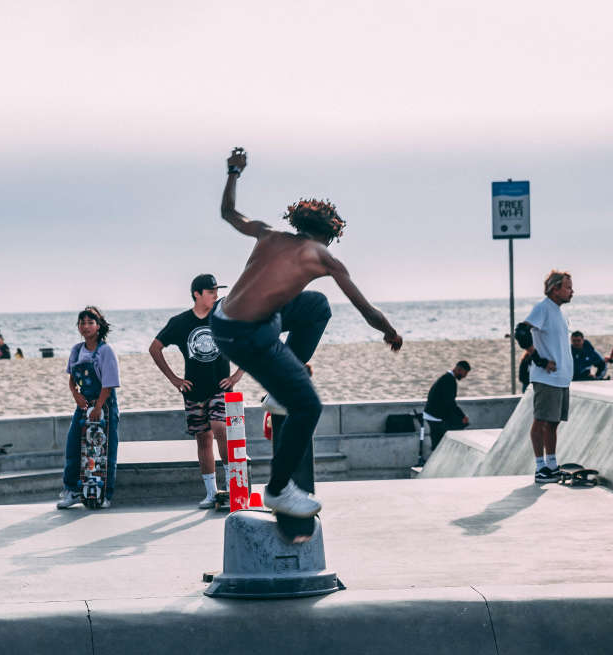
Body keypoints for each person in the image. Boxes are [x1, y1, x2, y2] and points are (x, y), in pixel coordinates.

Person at [209, 146, 402, 518]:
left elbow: (228, 213)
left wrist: (234, 171)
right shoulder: (323, 257)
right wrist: (390, 332)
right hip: (251, 337)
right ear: (329, 236)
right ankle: (279, 488)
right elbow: (366, 310)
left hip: (223, 321)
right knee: (308, 406)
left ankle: (281, 388)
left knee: (315, 306)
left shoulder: (268, 234)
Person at [150, 273, 245, 507]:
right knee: (203, 439)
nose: (216, 295)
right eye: (211, 291)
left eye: (216, 291)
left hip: (220, 387)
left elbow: (249, 343)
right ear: (197, 294)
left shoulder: (224, 319)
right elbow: (155, 348)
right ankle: (212, 493)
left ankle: (234, 485)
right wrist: (174, 379)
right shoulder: (180, 322)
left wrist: (237, 375)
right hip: (193, 390)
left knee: (219, 427)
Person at [58, 306, 120, 508]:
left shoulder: (106, 351)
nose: (85, 327)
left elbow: (109, 384)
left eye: (90, 323)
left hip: (105, 405)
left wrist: (98, 407)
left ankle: (105, 494)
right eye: (82, 323)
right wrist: (75, 395)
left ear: (99, 326)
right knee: (73, 446)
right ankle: (72, 491)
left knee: (105, 450)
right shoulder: (76, 350)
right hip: (83, 405)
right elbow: (71, 379)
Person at [524, 270, 574, 483]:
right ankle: (540, 467)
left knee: (553, 423)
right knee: (541, 420)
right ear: (555, 289)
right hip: (546, 378)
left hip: (561, 378)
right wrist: (540, 360)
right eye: (568, 287)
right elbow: (521, 332)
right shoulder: (542, 308)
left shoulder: (559, 312)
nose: (572, 291)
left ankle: (552, 465)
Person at [423, 360, 471, 449]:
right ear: (459, 369)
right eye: (465, 373)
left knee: (437, 441)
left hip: (431, 413)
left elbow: (448, 403)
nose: (464, 376)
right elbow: (450, 403)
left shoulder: (446, 378)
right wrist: (462, 416)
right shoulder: (449, 381)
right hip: (435, 415)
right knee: (458, 426)